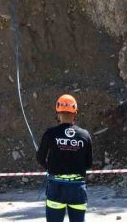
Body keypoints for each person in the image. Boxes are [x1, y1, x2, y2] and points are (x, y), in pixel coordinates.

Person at [36, 94, 93, 222]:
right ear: (75, 113)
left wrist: (50, 167)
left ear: (58, 113)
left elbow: (40, 158)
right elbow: (89, 164)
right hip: (77, 189)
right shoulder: (85, 135)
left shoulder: (50, 133)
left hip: (56, 188)